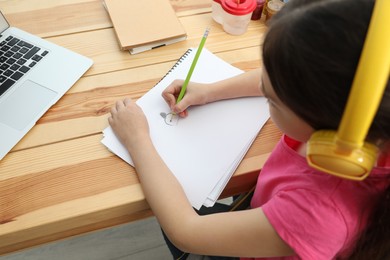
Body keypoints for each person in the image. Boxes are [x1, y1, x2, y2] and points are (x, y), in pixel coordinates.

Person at [108, 0, 390, 259]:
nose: (263, 91)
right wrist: (209, 92)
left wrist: (137, 139)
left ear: (320, 111)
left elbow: (185, 232)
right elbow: (279, 78)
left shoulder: (318, 212)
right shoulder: (364, 115)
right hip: (264, 210)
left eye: (271, 99)